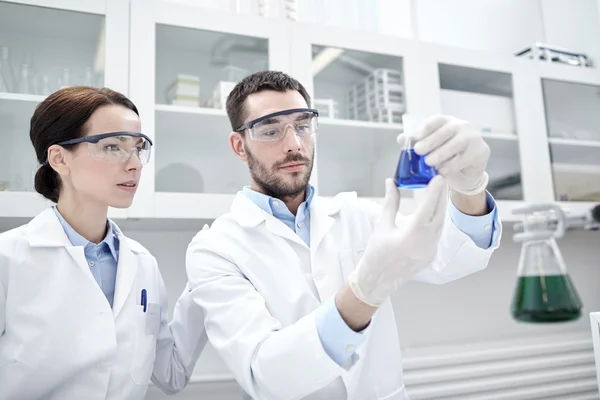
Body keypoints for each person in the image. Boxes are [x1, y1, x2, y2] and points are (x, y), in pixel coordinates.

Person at [185, 71, 502, 400]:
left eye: (303, 125)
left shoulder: (355, 215)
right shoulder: (214, 250)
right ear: (239, 145)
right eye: (270, 130)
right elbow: (266, 374)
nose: (293, 144)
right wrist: (364, 292)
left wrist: (470, 187)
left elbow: (452, 260)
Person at [0, 87, 207, 400]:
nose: (135, 163)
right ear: (59, 158)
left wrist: (206, 280)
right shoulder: (8, 258)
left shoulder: (142, 264)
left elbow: (171, 375)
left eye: (138, 148)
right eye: (112, 147)